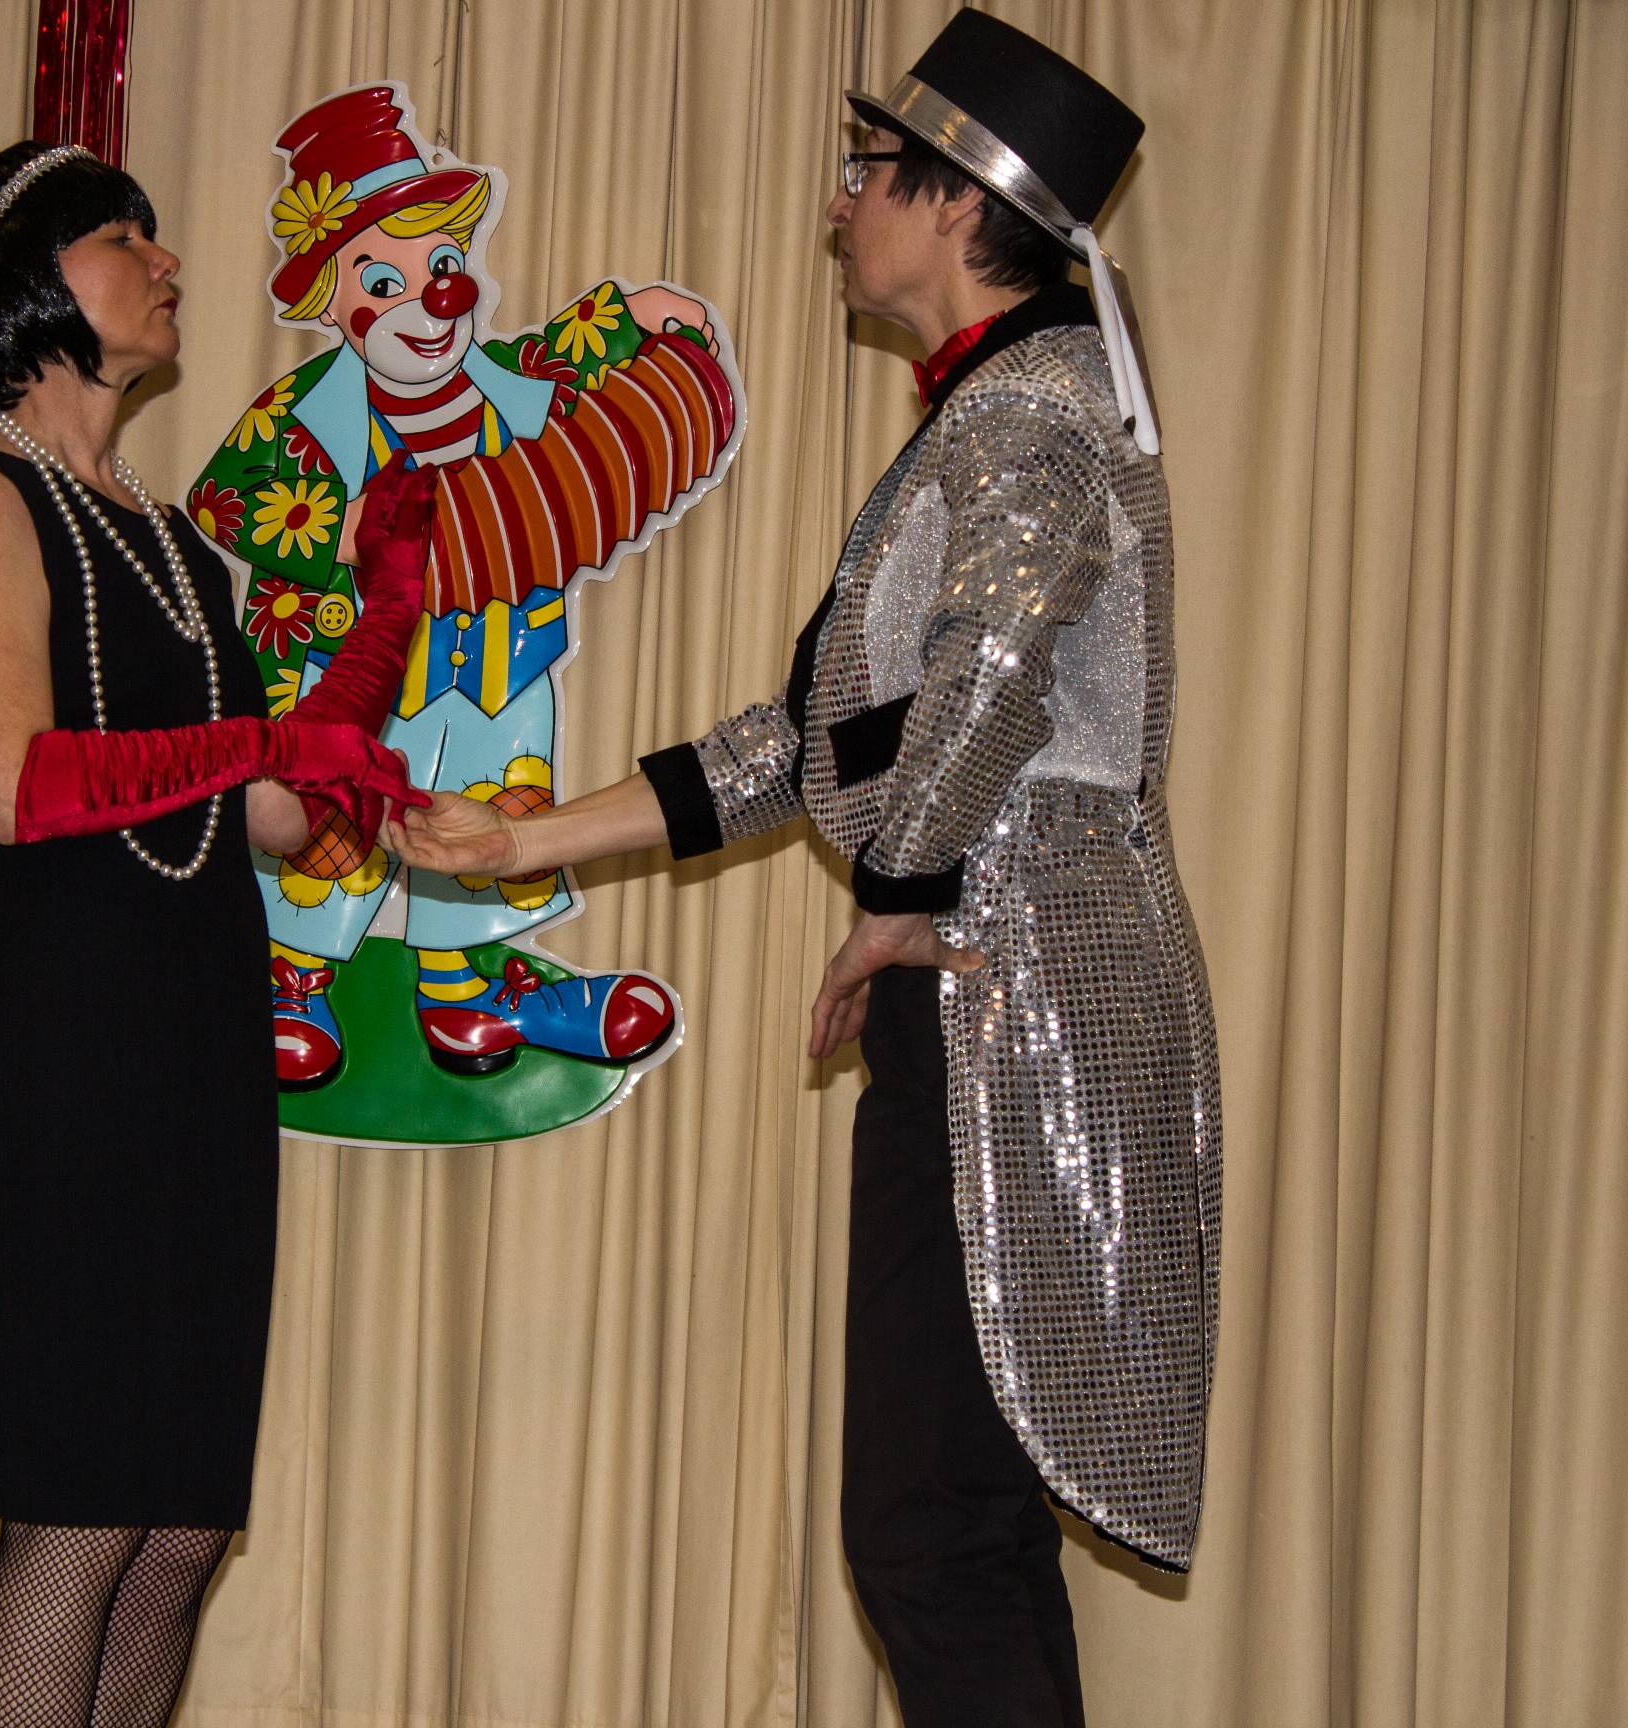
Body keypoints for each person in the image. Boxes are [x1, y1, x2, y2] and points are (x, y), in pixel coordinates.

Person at [388, 14, 1220, 1726]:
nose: (838, 206)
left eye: (867, 174)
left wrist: (897, 899)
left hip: (1008, 990)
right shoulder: (1000, 406)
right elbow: (818, 738)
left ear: (957, 201)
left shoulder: (1027, 410)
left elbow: (991, 680)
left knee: (930, 1530)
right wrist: (519, 839)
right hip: (993, 979)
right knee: (956, 1526)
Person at [0, 137, 435, 1727]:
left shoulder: (168, 540)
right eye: (125, 236)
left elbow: (281, 812)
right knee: (82, 1513)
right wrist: (258, 744)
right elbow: (13, 782)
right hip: (66, 1051)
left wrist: (385, 608)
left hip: (192, 1044)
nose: (167, 263)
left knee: (174, 1534)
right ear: (28, 285)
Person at [189, 85, 734, 1090]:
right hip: (354, 672)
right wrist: (332, 530)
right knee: (336, 820)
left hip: (497, 663)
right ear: (330, 302)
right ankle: (291, 980)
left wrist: (632, 317)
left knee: (487, 807)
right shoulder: (301, 414)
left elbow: (561, 349)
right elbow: (221, 497)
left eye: (441, 267)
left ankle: (463, 987)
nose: (432, 298)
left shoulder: (503, 380)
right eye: (384, 279)